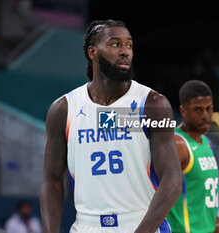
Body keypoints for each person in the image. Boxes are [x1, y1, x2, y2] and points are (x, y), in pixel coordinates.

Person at [40, 19, 182, 233]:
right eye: (115, 44)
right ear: (92, 53)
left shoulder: (152, 104)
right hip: (86, 225)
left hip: (142, 223)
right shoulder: (63, 109)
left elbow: (172, 177)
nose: (125, 51)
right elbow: (51, 181)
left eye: (129, 45)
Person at [166, 80, 219, 233]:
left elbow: (201, 197)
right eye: (198, 110)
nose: (206, 116)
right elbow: (154, 190)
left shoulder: (207, 143)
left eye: (209, 109)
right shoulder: (177, 143)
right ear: (183, 111)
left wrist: (215, 221)